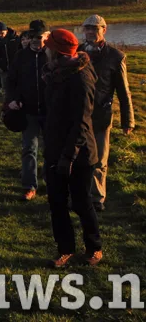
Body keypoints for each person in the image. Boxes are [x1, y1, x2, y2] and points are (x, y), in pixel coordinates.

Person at [42, 29, 101, 268]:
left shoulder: (81, 78)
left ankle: (94, 247)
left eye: (48, 46)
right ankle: (65, 250)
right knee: (57, 203)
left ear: (57, 51)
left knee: (81, 203)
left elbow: (81, 122)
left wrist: (69, 156)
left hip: (80, 153)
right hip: (55, 148)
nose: (45, 49)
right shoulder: (55, 73)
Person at [78, 15, 135, 212]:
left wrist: (128, 120)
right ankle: (78, 194)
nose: (90, 32)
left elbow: (124, 91)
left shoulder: (116, 56)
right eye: (87, 28)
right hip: (78, 114)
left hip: (101, 114)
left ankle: (96, 198)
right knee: (76, 157)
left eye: (95, 29)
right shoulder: (77, 52)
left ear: (104, 30)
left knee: (99, 159)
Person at [6, 20, 50, 201]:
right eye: (33, 36)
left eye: (40, 37)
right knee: (29, 149)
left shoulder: (52, 55)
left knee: (51, 149)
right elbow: (11, 80)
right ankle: (29, 186)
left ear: (47, 37)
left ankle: (50, 182)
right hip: (28, 110)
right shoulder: (21, 56)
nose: (36, 40)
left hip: (50, 111)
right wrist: (12, 99)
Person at [0, 22, 20, 95]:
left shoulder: (15, 39)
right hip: (4, 69)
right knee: (5, 88)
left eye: (2, 33)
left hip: (15, 67)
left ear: (6, 31)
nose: (0, 35)